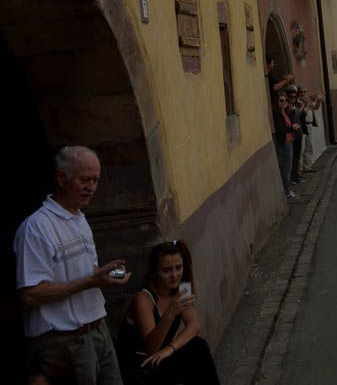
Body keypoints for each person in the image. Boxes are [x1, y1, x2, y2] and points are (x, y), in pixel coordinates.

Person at [15, 146, 133, 385]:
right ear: (61, 178)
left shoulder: (80, 218)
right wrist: (92, 281)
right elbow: (30, 294)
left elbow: (82, 276)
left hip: (97, 331)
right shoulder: (37, 228)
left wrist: (102, 277)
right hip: (65, 342)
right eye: (85, 179)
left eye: (96, 180)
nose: (92, 187)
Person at [115, 241, 220, 385]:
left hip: (161, 357)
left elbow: (194, 325)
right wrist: (170, 313)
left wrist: (170, 349)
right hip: (140, 367)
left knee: (198, 346)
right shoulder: (143, 298)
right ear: (155, 272)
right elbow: (151, 348)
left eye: (178, 268)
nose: (175, 275)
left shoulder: (180, 290)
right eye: (166, 270)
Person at [273, 93, 299, 200]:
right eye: (281, 101)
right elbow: (280, 129)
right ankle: (287, 192)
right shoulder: (278, 115)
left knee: (288, 167)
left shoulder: (285, 113)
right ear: (277, 102)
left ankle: (287, 190)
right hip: (284, 143)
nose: (284, 103)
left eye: (285, 101)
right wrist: (292, 128)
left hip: (289, 141)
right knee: (287, 169)